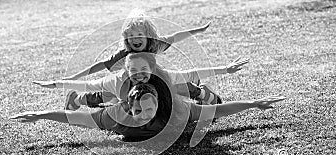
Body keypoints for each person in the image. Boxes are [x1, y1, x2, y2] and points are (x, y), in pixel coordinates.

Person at [11, 83, 286, 140]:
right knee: (106, 93)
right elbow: (75, 119)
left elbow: (217, 110)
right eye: (141, 111)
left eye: (151, 109)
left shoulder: (175, 110)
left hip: (173, 91)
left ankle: (198, 88)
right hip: (123, 90)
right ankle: (83, 96)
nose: (147, 115)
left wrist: (252, 103)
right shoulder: (116, 116)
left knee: (191, 92)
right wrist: (40, 114)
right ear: (129, 107)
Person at [61, 11, 219, 110]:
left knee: (175, 87)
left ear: (148, 35)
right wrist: (74, 77)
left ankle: (206, 95)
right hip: (129, 83)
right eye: (130, 37)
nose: (134, 40)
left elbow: (176, 36)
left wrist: (198, 30)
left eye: (138, 35)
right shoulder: (124, 53)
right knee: (109, 96)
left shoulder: (155, 44)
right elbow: (101, 65)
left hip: (153, 79)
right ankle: (76, 98)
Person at [34, 53, 249, 110]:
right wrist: (56, 84)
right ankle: (77, 101)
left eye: (144, 69)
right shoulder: (118, 80)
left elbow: (192, 72)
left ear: (152, 68)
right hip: (121, 94)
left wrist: (225, 69)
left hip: (170, 91)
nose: (139, 73)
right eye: (133, 70)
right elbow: (89, 84)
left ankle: (205, 94)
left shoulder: (162, 76)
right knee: (116, 101)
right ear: (126, 70)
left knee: (180, 89)